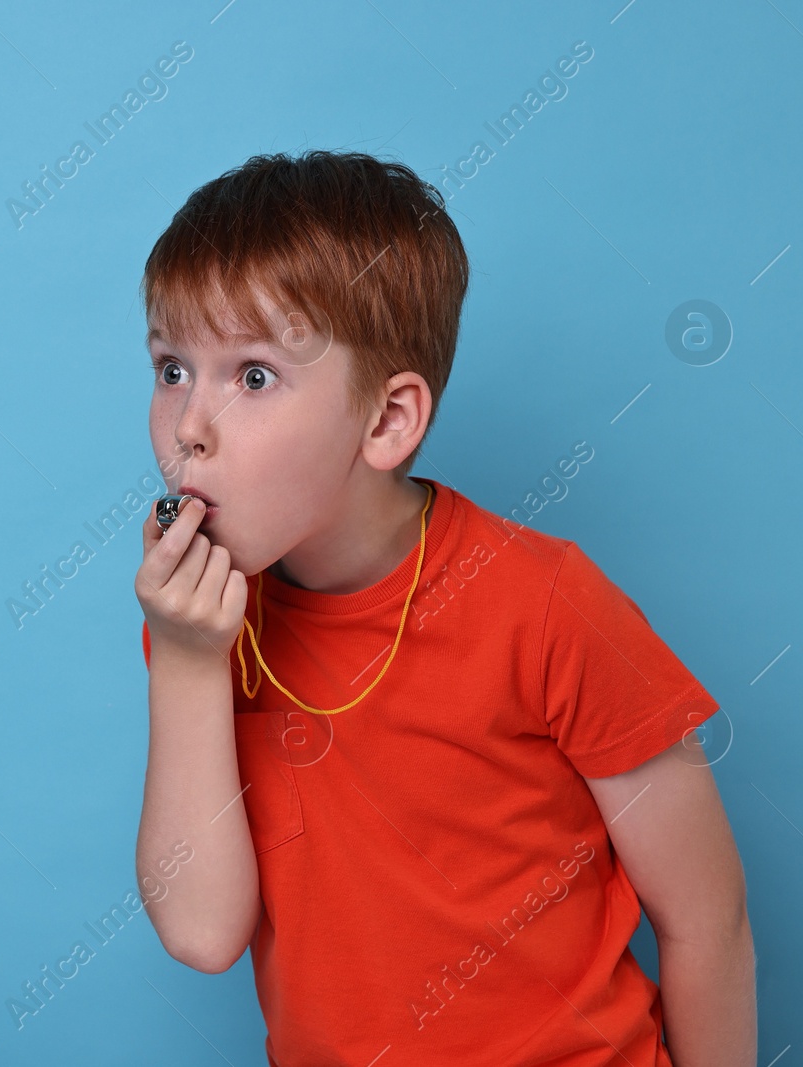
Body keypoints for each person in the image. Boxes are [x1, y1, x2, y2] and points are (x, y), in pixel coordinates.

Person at [132, 150, 756, 1066]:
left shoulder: (545, 602)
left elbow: (708, 918)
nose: (189, 424)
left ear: (386, 421)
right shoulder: (204, 617)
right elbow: (201, 932)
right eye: (172, 366)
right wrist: (188, 663)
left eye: (253, 375)